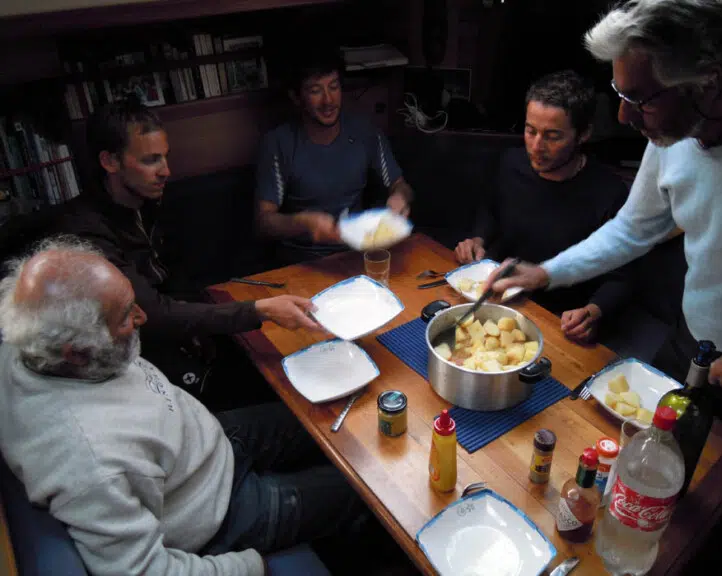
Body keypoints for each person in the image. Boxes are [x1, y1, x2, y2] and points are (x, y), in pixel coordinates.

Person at [0, 238, 364, 575]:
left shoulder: (30, 339)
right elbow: (145, 571)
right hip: (222, 514)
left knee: (328, 419)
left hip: (207, 446)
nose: (142, 318)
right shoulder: (88, 463)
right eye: (126, 316)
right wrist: (250, 566)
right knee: (360, 491)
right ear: (77, 353)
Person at [487, 0, 722, 412]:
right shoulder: (674, 134)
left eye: (641, 99)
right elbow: (633, 229)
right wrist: (545, 273)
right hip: (690, 339)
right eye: (621, 94)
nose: (622, 116)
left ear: (707, 83)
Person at [55, 99, 318, 406]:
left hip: (188, 338)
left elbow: (178, 278)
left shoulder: (147, 203)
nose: (166, 171)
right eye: (151, 160)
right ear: (110, 162)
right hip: (146, 368)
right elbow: (151, 315)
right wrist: (259, 310)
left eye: (165, 157)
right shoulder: (86, 233)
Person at [455, 71, 632, 343]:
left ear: (583, 134)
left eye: (553, 136)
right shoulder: (510, 163)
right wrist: (477, 239)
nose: (537, 146)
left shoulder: (608, 192)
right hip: (500, 302)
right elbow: (490, 210)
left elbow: (623, 276)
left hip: (558, 320)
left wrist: (593, 312)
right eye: (530, 131)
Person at [255, 43, 414, 265]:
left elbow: (400, 185)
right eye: (315, 91)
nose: (328, 100)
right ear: (296, 97)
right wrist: (302, 223)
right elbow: (263, 222)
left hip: (357, 255)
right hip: (302, 262)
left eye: (334, 87)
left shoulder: (365, 132)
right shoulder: (278, 143)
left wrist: (400, 197)